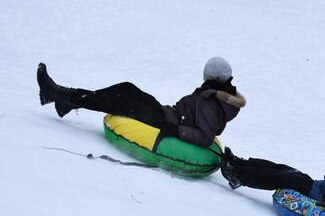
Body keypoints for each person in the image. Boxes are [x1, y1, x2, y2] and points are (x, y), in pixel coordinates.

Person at [36, 57, 246, 148]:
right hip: (164, 113)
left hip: (162, 122)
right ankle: (68, 102)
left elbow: (204, 137)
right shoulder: (215, 94)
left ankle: (58, 94)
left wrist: (174, 130)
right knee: (126, 88)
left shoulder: (210, 100)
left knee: (116, 101)